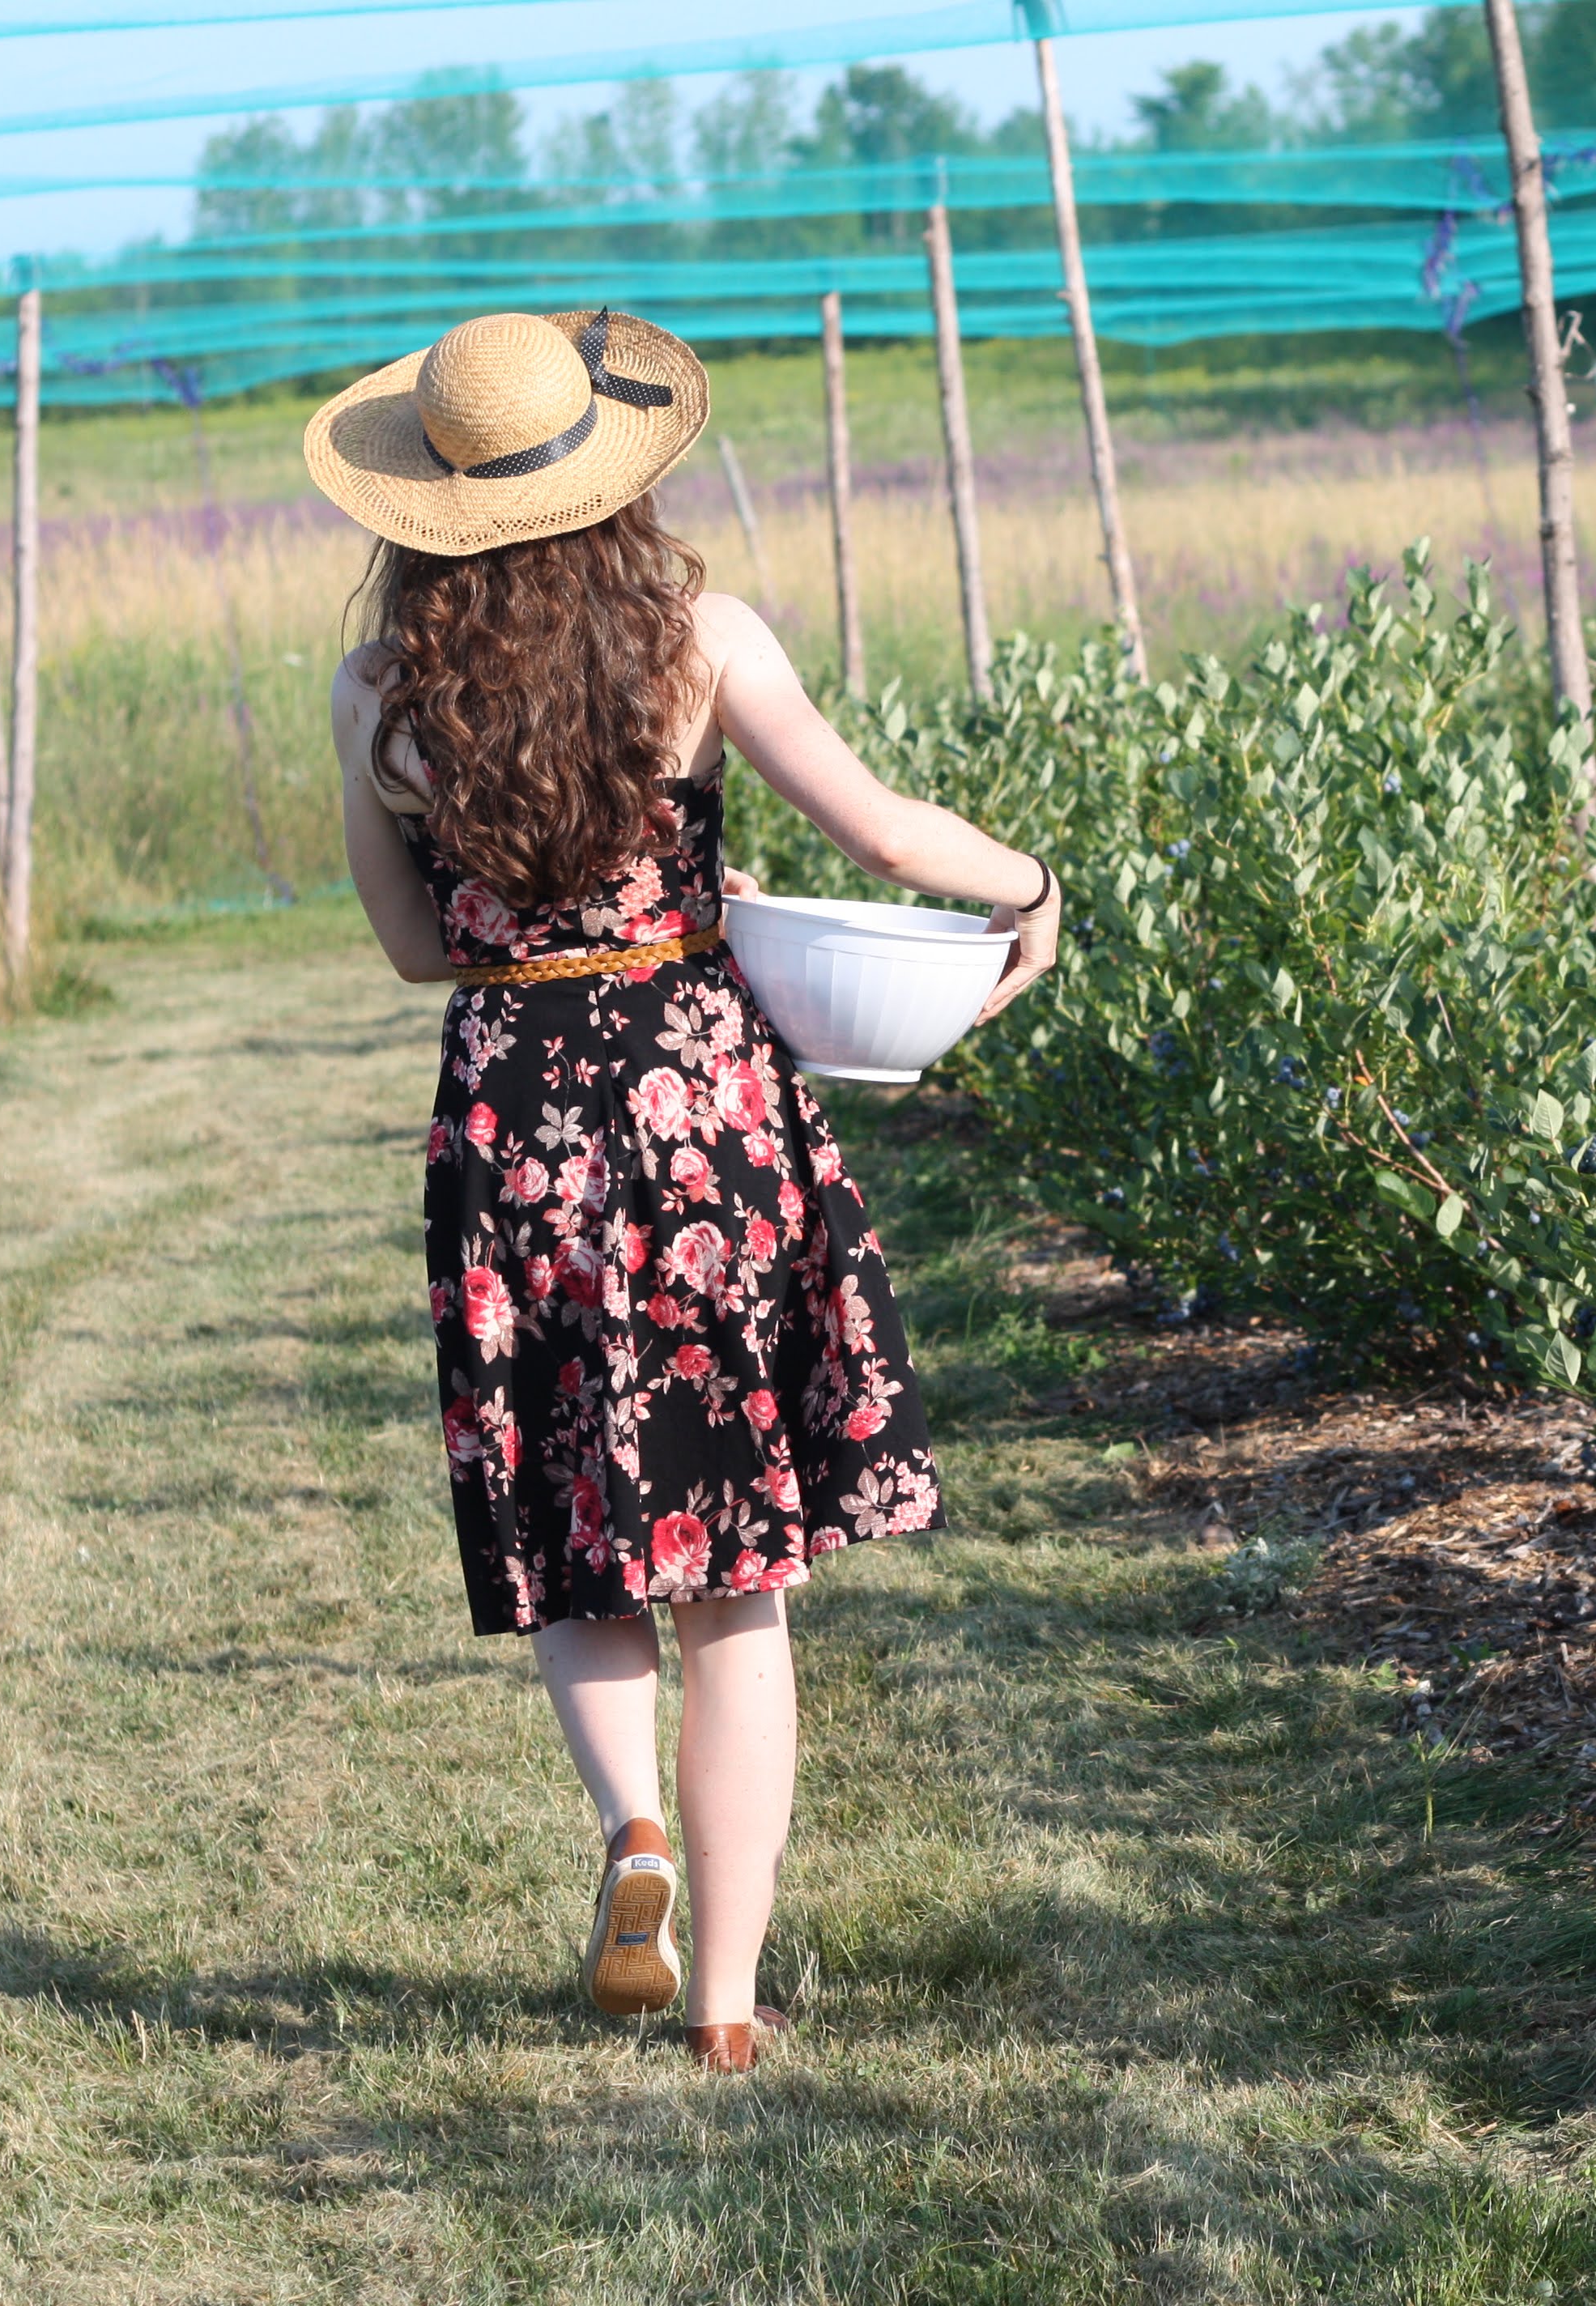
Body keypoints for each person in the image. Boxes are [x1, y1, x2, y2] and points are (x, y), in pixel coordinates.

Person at [309, 309, 1058, 2073]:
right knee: (738, 1577)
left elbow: (414, 945)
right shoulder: (697, 639)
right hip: (698, 1103)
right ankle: (723, 2000)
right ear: (609, 475)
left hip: (515, 1115)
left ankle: (628, 1828)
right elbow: (882, 830)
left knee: (582, 1540)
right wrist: (1029, 887)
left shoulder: (378, 695)